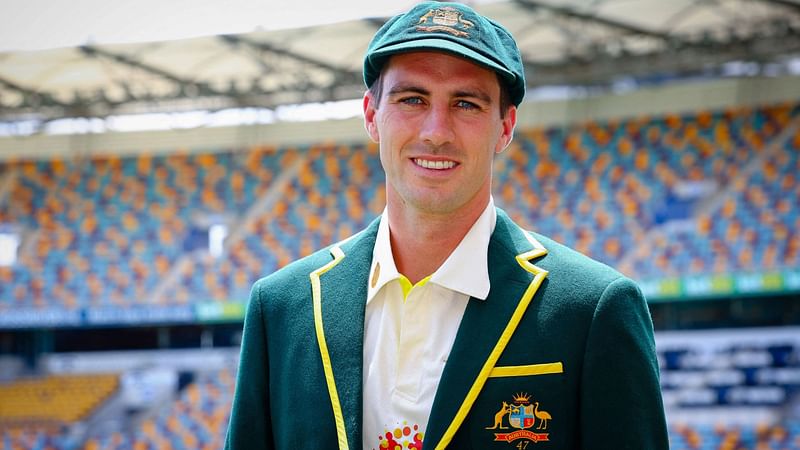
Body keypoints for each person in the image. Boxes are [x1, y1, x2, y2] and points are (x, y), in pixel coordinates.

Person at [225, 2, 668, 449]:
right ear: (371, 115)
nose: (437, 131)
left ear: (505, 127)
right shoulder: (282, 306)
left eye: (466, 103)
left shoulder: (593, 309)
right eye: (412, 99)